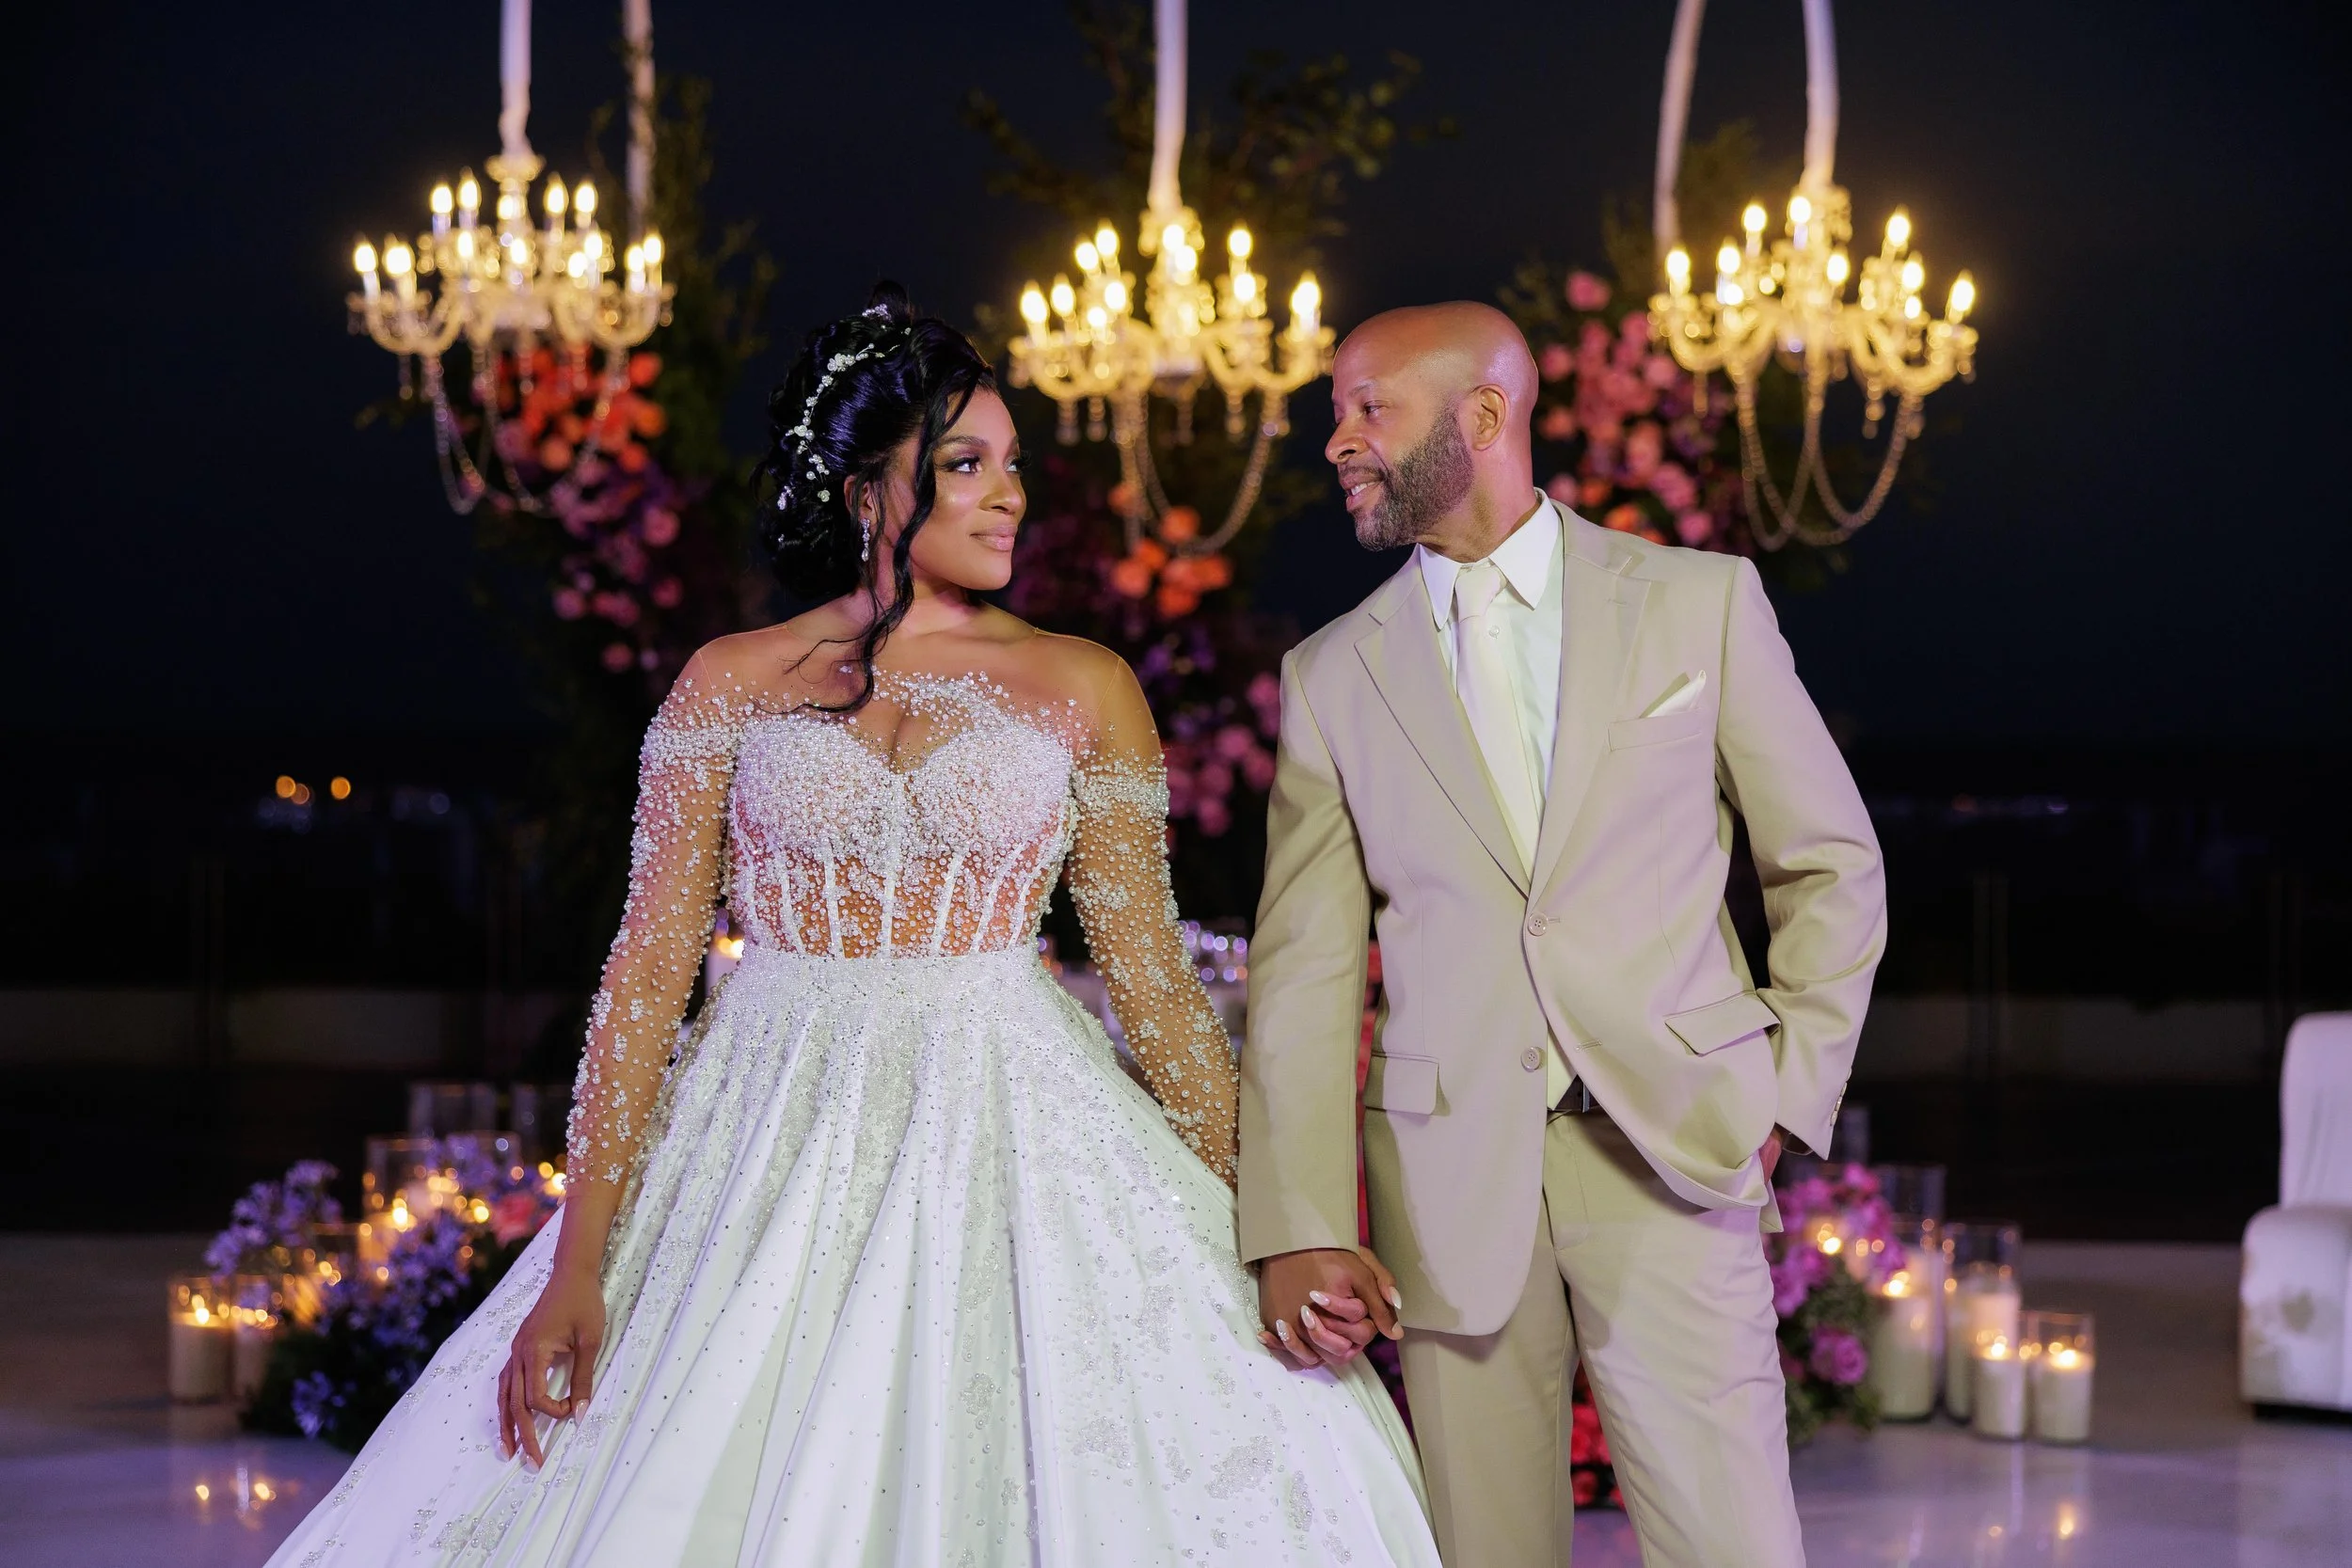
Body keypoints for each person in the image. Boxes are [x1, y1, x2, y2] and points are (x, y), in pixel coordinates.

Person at [266, 284, 1440, 1567]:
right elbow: (648, 973)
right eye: (966, 463)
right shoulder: (730, 678)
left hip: (1012, 1112)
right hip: (762, 1120)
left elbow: (1153, 987)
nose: (1010, 495)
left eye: (1012, 465)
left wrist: (1277, 1223)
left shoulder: (1082, 683)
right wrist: (581, 1262)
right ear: (868, 489)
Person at [1240, 301, 1885, 1567]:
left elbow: (1829, 861)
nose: (1338, 441)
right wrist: (1299, 1218)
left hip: (1675, 1149)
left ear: (1483, 415)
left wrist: (1783, 1081)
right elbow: (1305, 968)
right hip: (1450, 1178)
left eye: (1370, 406)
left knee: (1732, 1544)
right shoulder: (1331, 674)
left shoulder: (1698, 604)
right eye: (1336, 413)